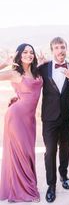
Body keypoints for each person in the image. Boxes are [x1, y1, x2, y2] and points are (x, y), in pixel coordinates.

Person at [0, 44, 42, 202]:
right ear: (19, 54)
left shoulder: (37, 71)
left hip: (29, 120)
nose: (29, 54)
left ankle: (23, 187)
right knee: (22, 154)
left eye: (31, 52)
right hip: (16, 118)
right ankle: (28, 192)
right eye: (25, 52)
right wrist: (5, 62)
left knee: (28, 153)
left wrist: (19, 95)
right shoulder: (14, 72)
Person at [38, 37, 69, 203]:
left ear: (66, 48)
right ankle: (51, 185)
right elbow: (29, 83)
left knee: (65, 149)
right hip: (49, 118)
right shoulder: (43, 68)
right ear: (52, 50)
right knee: (50, 152)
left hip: (66, 117)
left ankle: (64, 174)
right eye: (56, 47)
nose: (60, 50)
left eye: (62, 47)